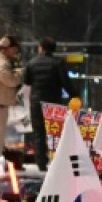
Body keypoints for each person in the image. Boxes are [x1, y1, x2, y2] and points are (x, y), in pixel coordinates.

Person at [23, 38, 77, 170]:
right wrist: (74, 95)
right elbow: (65, 82)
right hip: (54, 102)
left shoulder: (31, 62)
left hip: (36, 102)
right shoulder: (58, 63)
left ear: (41, 47)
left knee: (38, 132)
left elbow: (27, 81)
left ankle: (41, 163)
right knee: (55, 132)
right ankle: (57, 161)